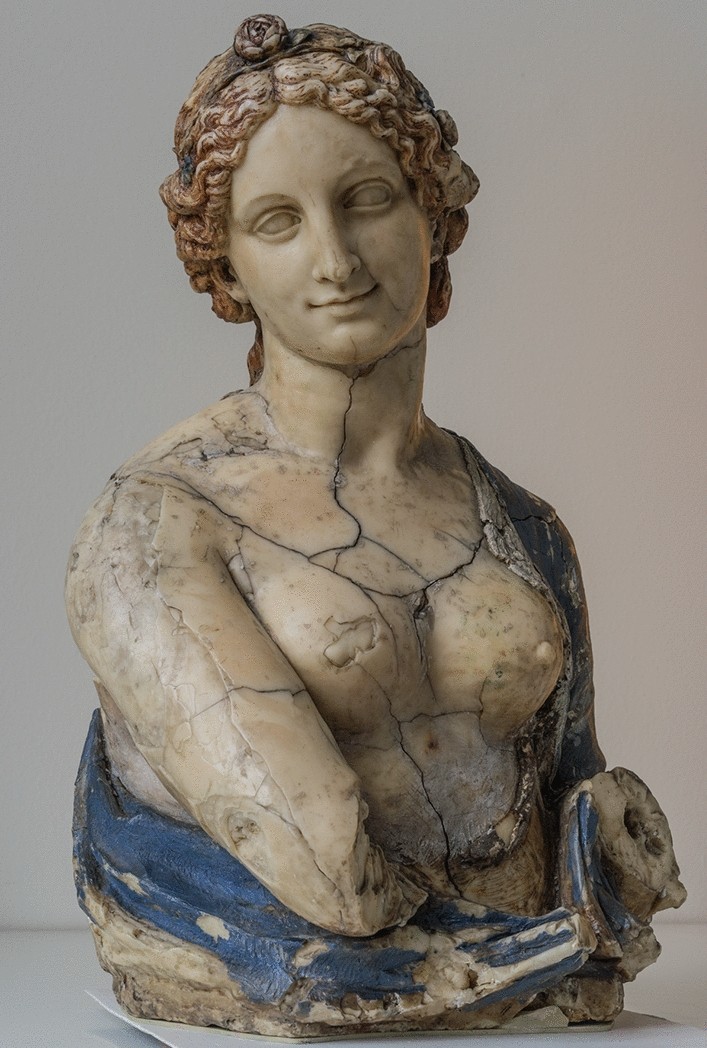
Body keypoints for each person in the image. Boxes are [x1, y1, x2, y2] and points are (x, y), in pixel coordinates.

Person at [67, 16, 685, 1037]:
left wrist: (597, 884)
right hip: (316, 964)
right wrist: (543, 938)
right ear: (226, 267)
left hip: (530, 970)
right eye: (277, 221)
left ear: (432, 214)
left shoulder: (522, 523)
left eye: (365, 199)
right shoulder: (157, 524)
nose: (335, 258)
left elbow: (579, 794)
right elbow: (332, 877)